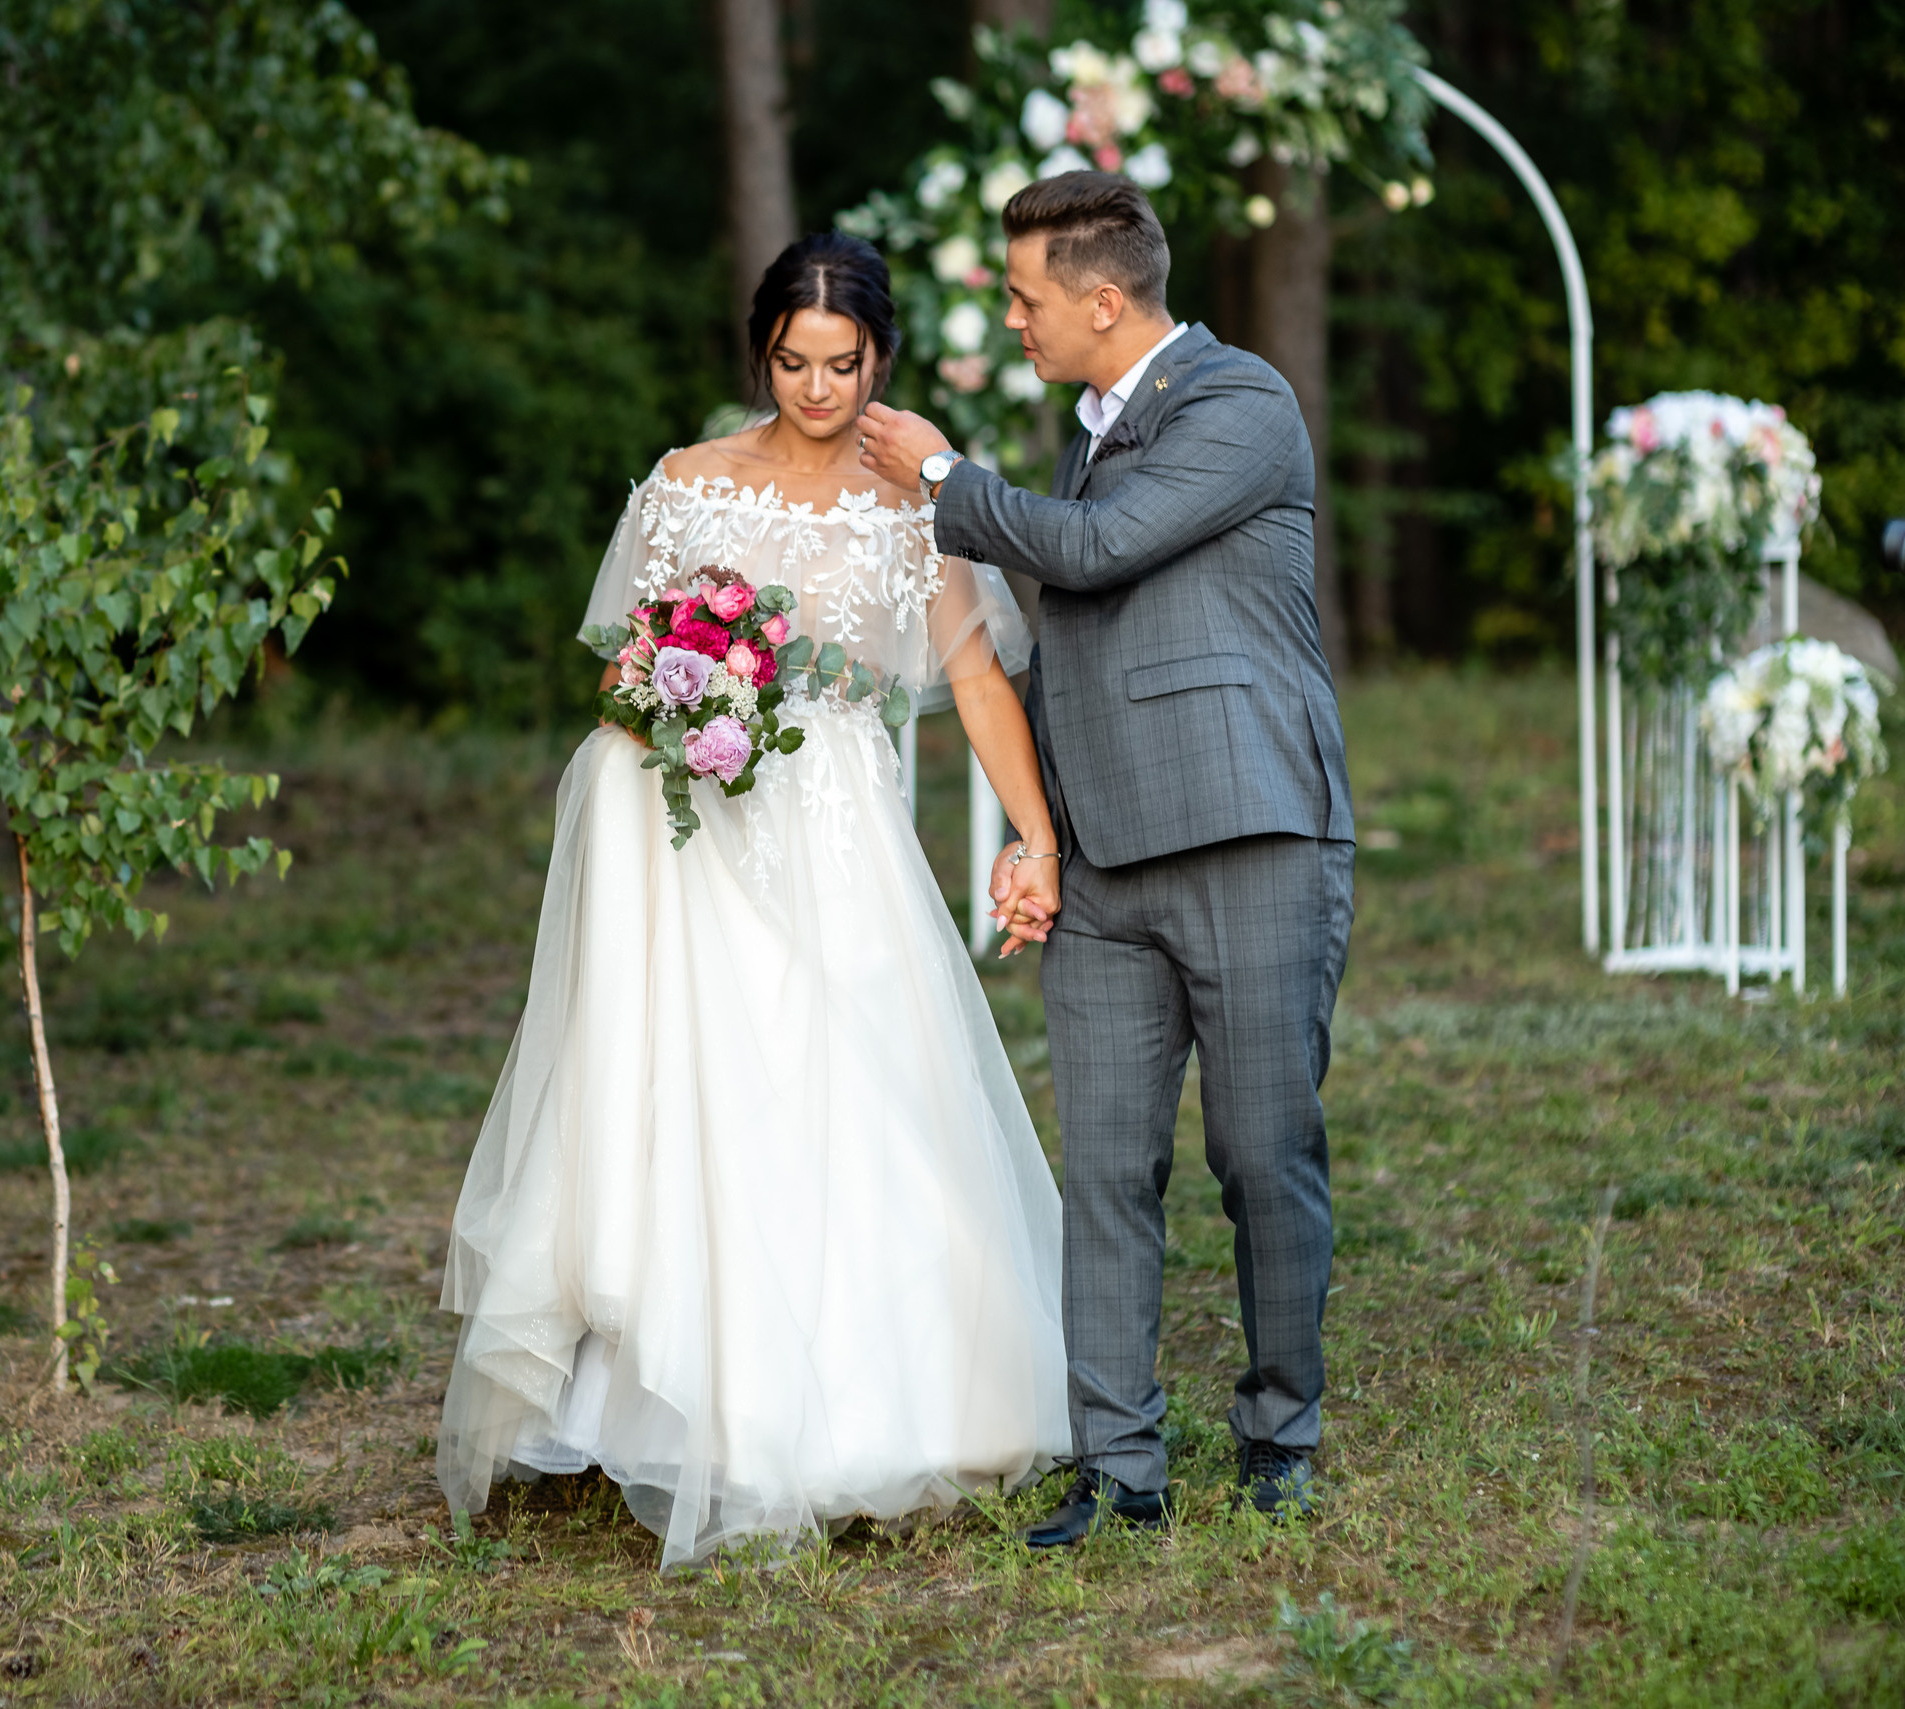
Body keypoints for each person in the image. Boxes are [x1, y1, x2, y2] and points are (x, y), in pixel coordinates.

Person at [435, 232, 1070, 1570]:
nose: (821, 387)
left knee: (855, 1088)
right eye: (796, 361)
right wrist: (687, 694)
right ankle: (672, 1399)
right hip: (695, 838)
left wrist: (1034, 829)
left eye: (845, 363)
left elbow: (973, 683)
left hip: (841, 834)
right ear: (760, 353)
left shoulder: (911, 505)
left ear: (879, 360)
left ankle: (864, 1408)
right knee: (706, 1093)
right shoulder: (684, 486)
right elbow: (623, 668)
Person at [858, 171, 1356, 1549]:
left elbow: (1097, 553)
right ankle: (1120, 1467)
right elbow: (1075, 646)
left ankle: (1280, 1430)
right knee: (1108, 1171)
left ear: (1101, 297)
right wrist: (1044, 834)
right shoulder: (1078, 431)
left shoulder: (1240, 403)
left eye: (1024, 296)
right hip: (1106, 863)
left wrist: (946, 478)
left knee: (1263, 1153)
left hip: (1254, 829)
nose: (1011, 317)